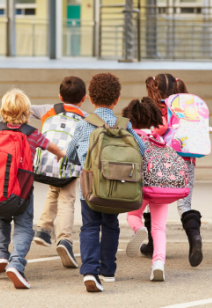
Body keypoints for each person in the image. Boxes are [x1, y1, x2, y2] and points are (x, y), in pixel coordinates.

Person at [0, 89, 66, 289]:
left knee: (0, 220)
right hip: (21, 193)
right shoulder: (32, 134)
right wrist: (61, 153)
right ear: (27, 112)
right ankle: (16, 263)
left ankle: (0, 255)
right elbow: (51, 146)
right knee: (24, 226)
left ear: (3, 111)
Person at [66, 73, 146, 292]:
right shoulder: (124, 125)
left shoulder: (84, 125)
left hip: (90, 189)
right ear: (116, 99)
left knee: (90, 226)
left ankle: (90, 271)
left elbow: (70, 155)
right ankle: (108, 271)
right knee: (110, 226)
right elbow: (142, 150)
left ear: (90, 98)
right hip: (116, 187)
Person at [141, 74, 204, 268]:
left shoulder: (154, 110)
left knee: (154, 199)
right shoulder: (186, 109)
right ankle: (195, 237)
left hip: (160, 160)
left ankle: (153, 244)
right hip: (185, 160)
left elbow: (153, 132)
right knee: (184, 204)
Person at [31, 76, 89, 269]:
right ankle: (64, 240)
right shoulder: (86, 117)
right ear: (84, 98)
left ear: (59, 95)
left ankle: (43, 229)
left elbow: (24, 108)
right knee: (67, 200)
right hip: (68, 164)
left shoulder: (48, 110)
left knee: (54, 189)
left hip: (46, 163)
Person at [122, 97, 170, 281]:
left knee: (133, 215)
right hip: (159, 187)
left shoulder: (129, 136)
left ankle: (139, 229)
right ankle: (158, 263)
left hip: (137, 186)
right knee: (159, 227)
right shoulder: (157, 137)